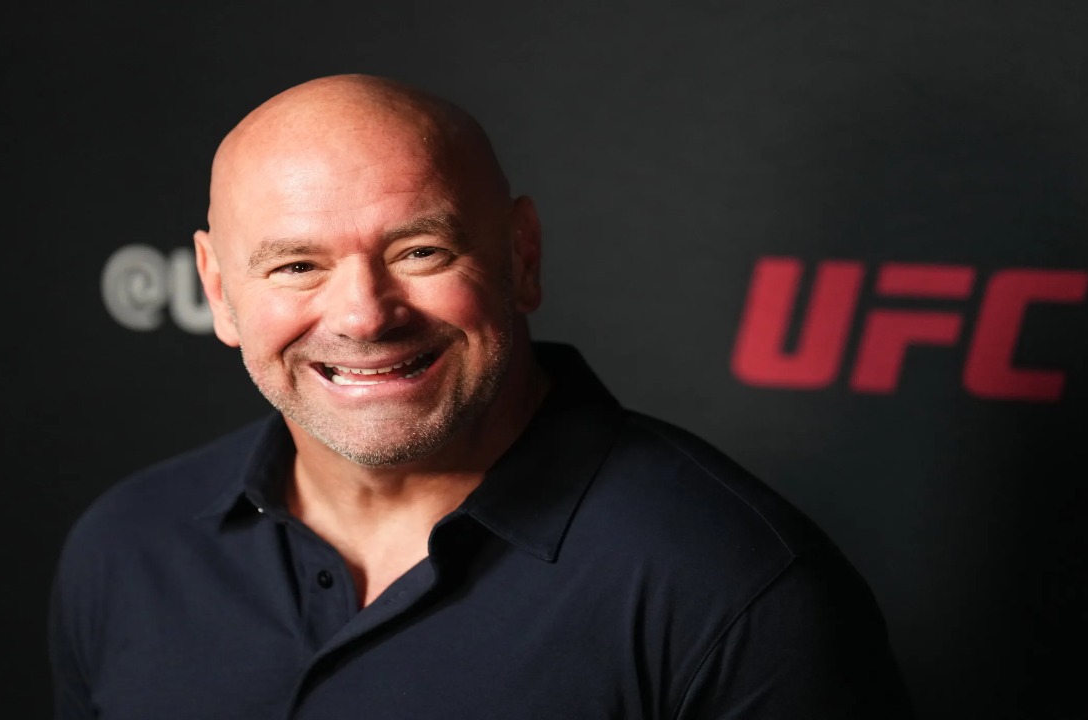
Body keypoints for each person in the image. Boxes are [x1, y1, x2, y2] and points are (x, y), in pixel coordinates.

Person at [49, 73, 914, 719]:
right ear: (218, 289)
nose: (364, 315)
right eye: (297, 265)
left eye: (419, 252)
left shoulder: (733, 589)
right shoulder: (128, 547)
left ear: (521, 257)